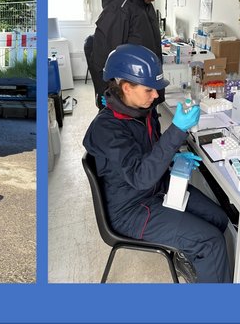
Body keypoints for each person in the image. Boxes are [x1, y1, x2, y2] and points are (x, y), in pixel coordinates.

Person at [83, 44, 231, 283]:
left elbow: (149, 150)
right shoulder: (107, 129)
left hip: (157, 187)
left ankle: (198, 265)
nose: (155, 96)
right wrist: (178, 130)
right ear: (126, 87)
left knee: (219, 219)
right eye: (149, 90)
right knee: (210, 241)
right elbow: (140, 177)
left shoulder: (142, 111)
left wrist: (173, 157)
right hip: (132, 208)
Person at [88, 0, 178, 109]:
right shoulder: (121, 7)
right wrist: (111, 102)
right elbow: (102, 61)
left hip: (144, 96)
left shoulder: (144, 5)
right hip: (129, 104)